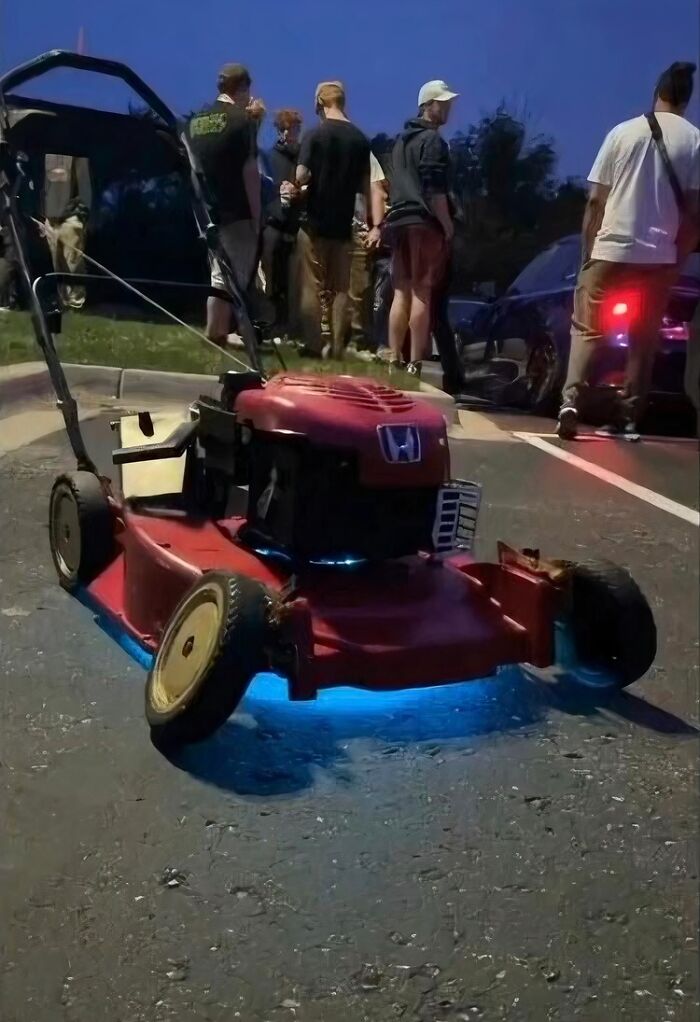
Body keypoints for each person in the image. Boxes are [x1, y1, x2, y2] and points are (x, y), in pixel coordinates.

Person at [557, 61, 700, 441]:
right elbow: (694, 215)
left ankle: (571, 400)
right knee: (644, 336)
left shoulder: (623, 132)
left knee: (586, 327)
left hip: (611, 249)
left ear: (657, 93)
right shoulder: (695, 141)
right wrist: (677, 262)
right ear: (687, 99)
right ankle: (629, 414)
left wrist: (589, 252)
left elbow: (594, 201)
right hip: (657, 258)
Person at [294, 81, 372, 358]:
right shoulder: (361, 140)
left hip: (314, 222)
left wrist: (299, 184)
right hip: (343, 224)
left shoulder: (315, 136)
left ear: (319, 102)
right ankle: (338, 347)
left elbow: (301, 176)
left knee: (311, 285)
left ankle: (315, 344)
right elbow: (366, 185)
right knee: (341, 288)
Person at [386, 80, 458, 377]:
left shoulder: (400, 141)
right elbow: (434, 187)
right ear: (427, 105)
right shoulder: (433, 141)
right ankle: (415, 361)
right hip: (424, 222)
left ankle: (393, 358)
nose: (448, 108)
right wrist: (447, 224)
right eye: (442, 103)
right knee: (422, 292)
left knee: (400, 291)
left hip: (399, 220)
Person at [187, 63, 262, 346]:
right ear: (242, 88)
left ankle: (215, 330)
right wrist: (257, 217)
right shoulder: (242, 122)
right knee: (238, 278)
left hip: (206, 210)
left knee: (218, 272)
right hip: (237, 210)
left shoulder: (196, 122)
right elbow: (250, 173)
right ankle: (243, 334)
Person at [261, 109, 303, 338]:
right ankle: (271, 324)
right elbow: (264, 188)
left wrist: (299, 192)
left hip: (294, 225)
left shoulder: (302, 158)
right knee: (272, 278)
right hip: (273, 223)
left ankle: (288, 326)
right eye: (285, 129)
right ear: (279, 131)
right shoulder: (270, 157)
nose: (289, 134)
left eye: (294, 129)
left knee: (291, 280)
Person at [346, 152, 389, 357]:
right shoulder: (317, 143)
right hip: (325, 227)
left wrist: (377, 227)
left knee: (360, 288)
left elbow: (377, 189)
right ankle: (330, 338)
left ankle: (358, 341)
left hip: (355, 228)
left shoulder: (361, 149)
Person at [43, 154, 92, 310]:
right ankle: (62, 301)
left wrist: (83, 213)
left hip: (71, 213)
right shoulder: (44, 151)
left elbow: (84, 183)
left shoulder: (76, 151)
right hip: (49, 214)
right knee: (56, 261)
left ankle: (77, 301)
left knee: (73, 259)